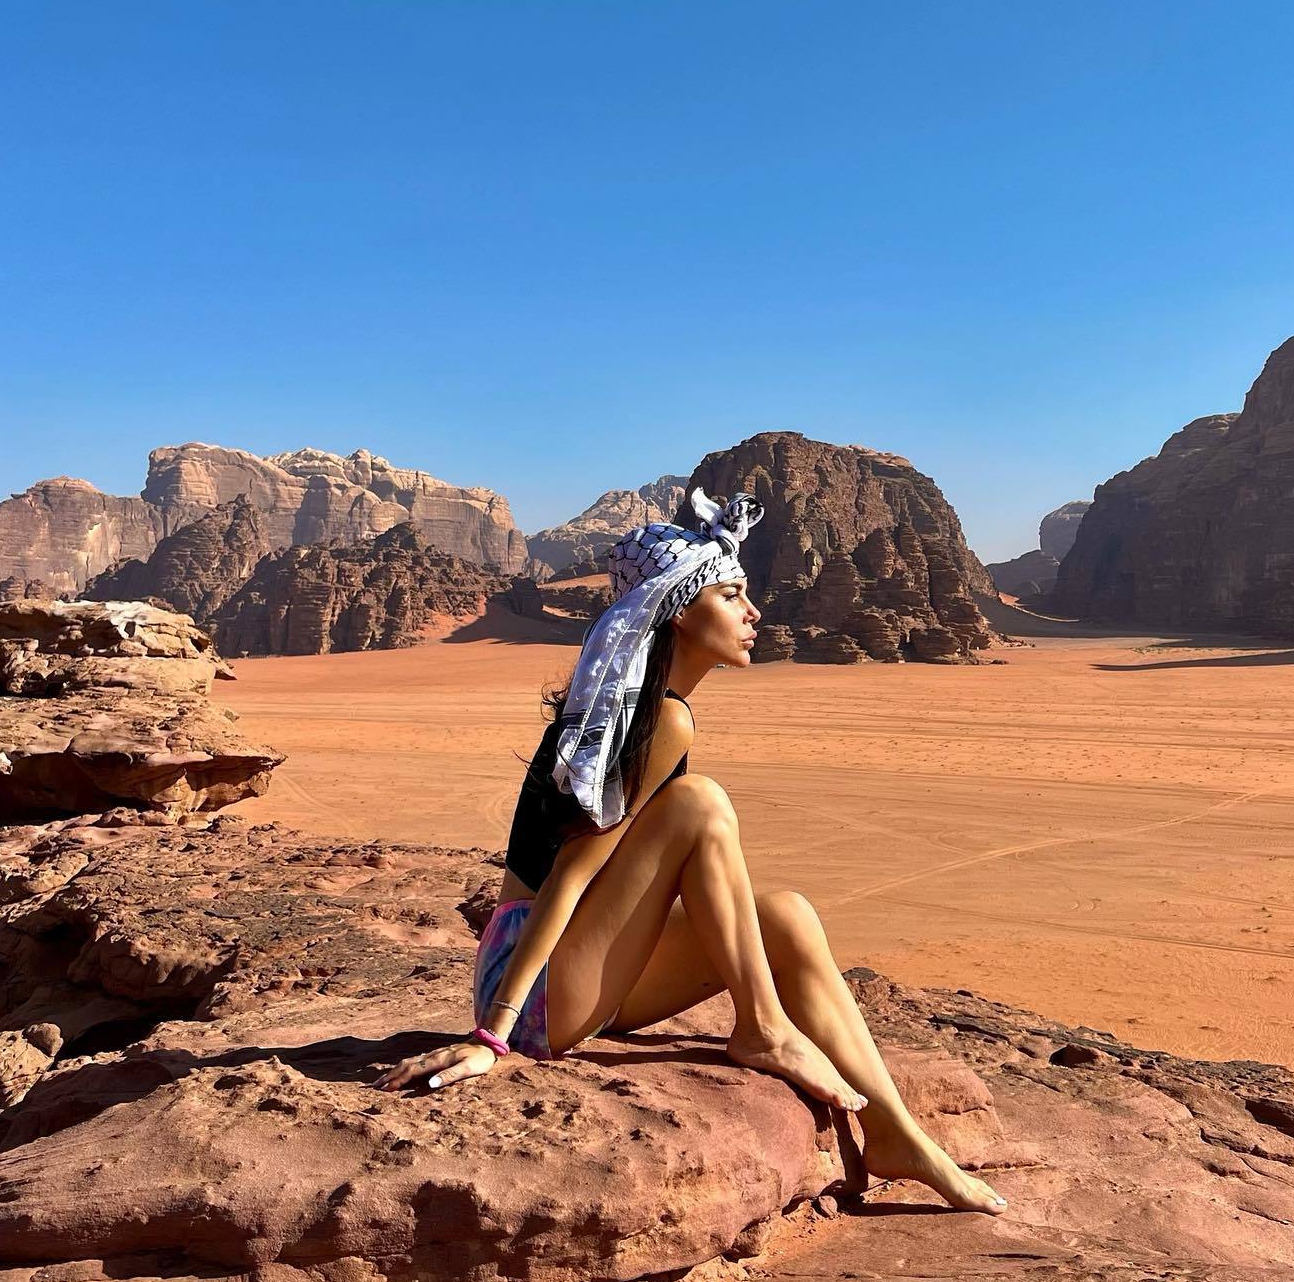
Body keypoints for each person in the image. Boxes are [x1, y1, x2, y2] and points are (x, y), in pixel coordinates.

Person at [376, 486, 1007, 1215]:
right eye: (732, 595)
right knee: (699, 801)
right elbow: (570, 878)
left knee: (788, 914)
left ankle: (895, 1132)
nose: (753, 613)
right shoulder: (660, 719)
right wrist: (493, 1035)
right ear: (678, 607)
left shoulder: (648, 711)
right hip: (541, 983)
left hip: (585, 968)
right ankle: (763, 1028)